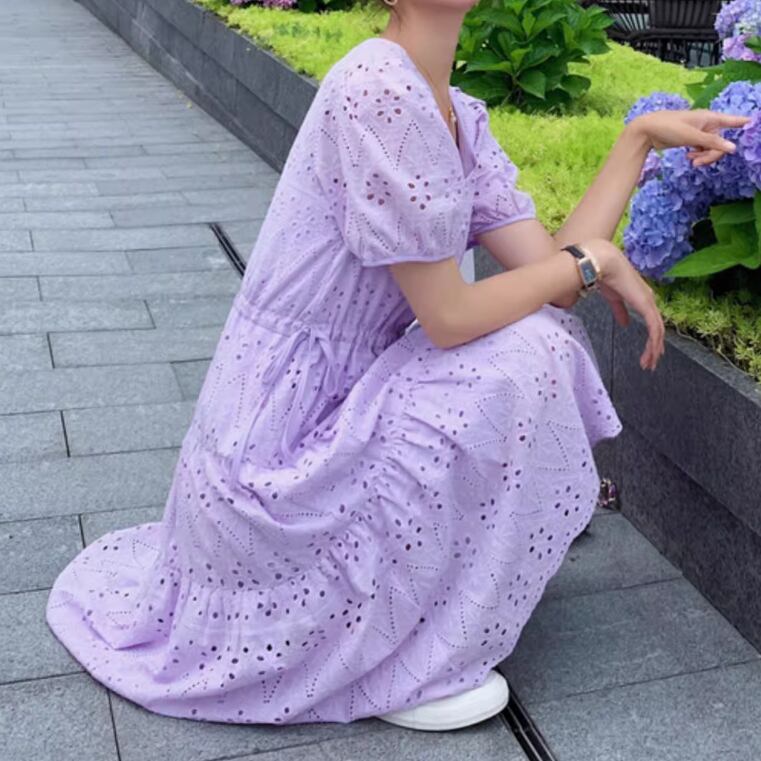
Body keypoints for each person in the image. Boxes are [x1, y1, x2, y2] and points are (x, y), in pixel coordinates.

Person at [46, 0, 749, 734]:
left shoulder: (452, 110)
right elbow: (450, 315)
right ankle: (402, 656)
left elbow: (549, 275)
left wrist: (637, 141)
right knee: (526, 354)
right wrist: (590, 261)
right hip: (275, 446)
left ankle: (410, 610)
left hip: (342, 398)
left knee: (538, 335)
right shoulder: (377, 89)